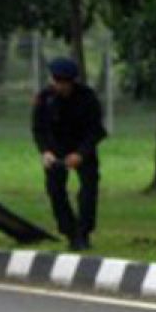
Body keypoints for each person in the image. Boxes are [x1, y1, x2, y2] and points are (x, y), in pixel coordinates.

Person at [32, 56, 106, 250]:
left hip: (82, 147)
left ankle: (84, 232)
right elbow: (38, 128)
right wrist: (45, 151)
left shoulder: (87, 98)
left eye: (64, 82)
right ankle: (70, 231)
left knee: (89, 190)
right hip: (55, 148)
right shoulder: (44, 98)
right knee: (55, 190)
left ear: (72, 82)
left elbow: (97, 131)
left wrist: (80, 154)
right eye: (56, 81)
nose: (60, 86)